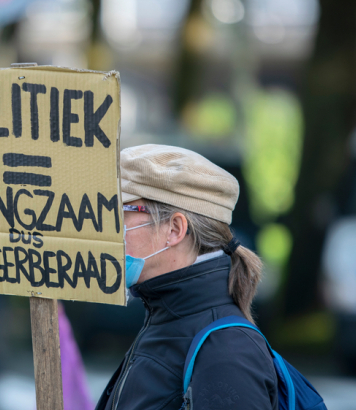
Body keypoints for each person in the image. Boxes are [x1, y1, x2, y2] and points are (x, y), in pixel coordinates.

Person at [96, 145, 277, 410]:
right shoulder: (167, 318)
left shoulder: (227, 352)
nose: (108, 232)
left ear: (175, 229)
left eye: (119, 217)